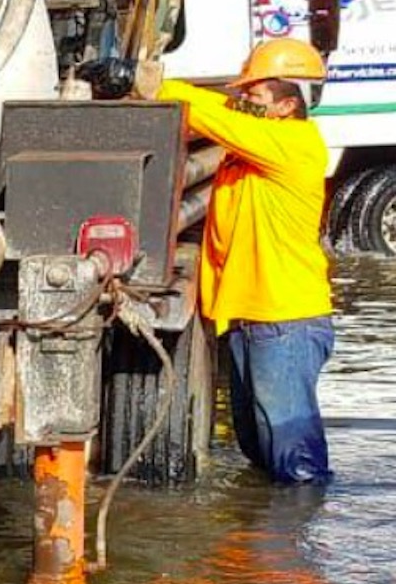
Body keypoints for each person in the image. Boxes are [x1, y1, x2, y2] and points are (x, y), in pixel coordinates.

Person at [93, 41, 335, 484]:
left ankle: (301, 526)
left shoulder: (293, 144)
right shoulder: (258, 142)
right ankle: (268, 529)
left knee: (295, 461)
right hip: (252, 319)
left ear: (287, 105)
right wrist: (145, 83)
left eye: (255, 95)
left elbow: (216, 117)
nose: (244, 101)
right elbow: (222, 107)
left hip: (285, 320)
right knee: (259, 452)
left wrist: (144, 81)